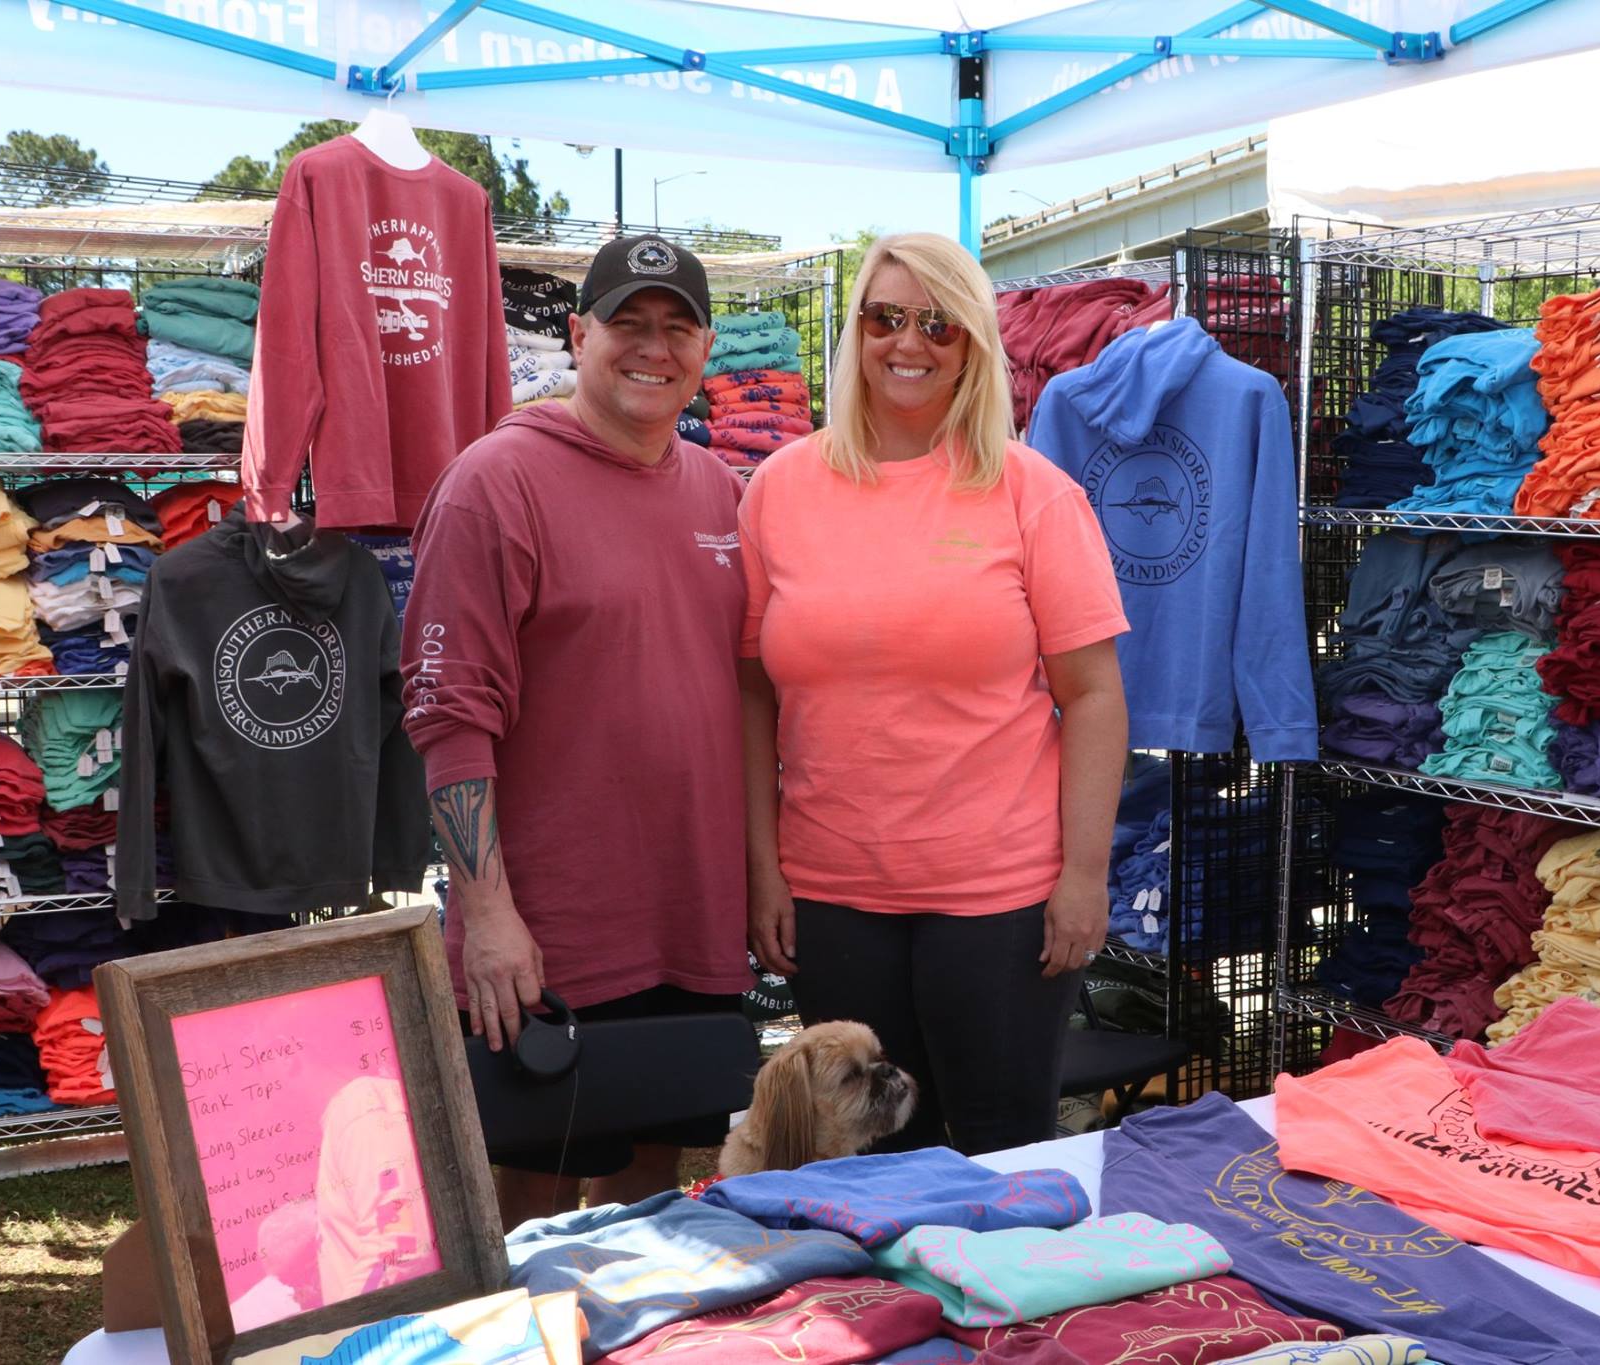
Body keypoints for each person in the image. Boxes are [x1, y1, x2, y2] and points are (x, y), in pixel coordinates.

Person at [739, 232, 1130, 1155]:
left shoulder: (1034, 493)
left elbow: (1097, 695)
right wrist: (764, 870)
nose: (908, 343)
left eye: (939, 324)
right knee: (861, 1166)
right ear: (856, 331)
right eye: (886, 317)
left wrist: (1084, 876)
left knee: (1002, 1152)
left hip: (999, 903)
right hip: (831, 894)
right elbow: (753, 697)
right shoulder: (778, 490)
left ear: (976, 345)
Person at [400, 235, 750, 1226]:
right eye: (626, 326)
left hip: (689, 917)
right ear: (576, 334)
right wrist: (491, 916)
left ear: (706, 347)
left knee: (652, 1190)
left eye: (675, 329)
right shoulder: (494, 483)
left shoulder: (718, 490)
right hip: (553, 934)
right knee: (532, 1202)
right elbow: (448, 715)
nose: (652, 349)